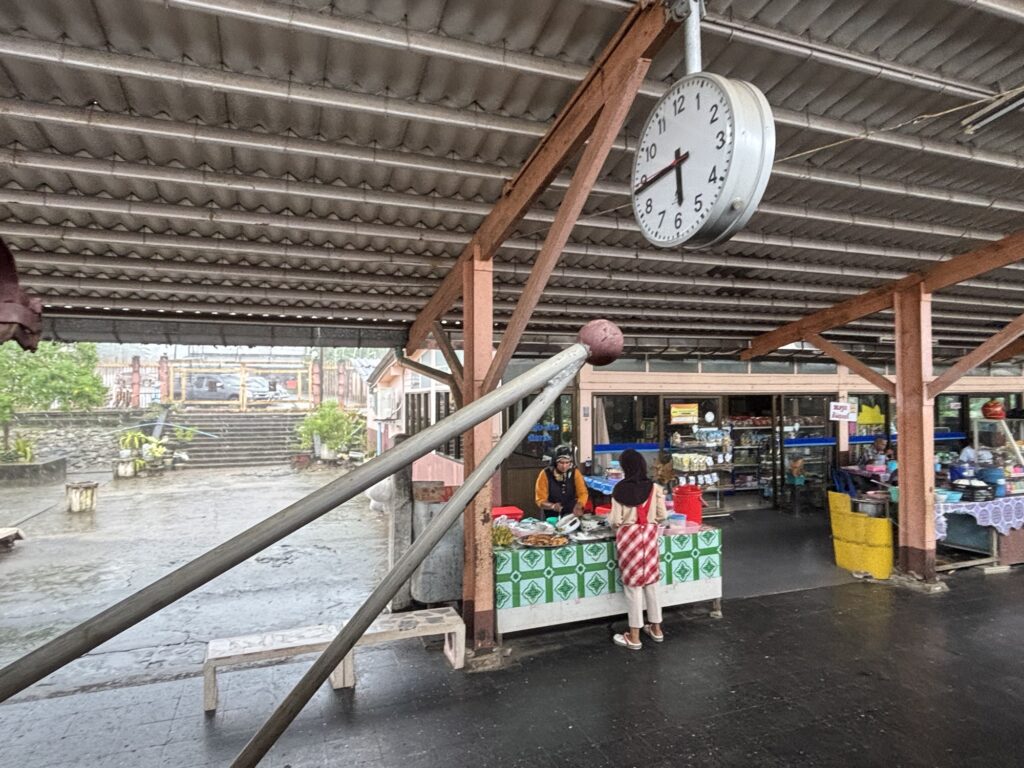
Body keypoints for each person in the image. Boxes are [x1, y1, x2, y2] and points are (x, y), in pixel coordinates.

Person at [609, 449, 667, 650]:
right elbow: (662, 515)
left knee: (633, 587)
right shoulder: (655, 488)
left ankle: (634, 636)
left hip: (629, 540)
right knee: (651, 584)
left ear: (625, 467)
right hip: (649, 539)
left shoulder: (619, 490)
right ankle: (656, 629)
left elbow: (615, 521)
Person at [534, 445, 588, 518]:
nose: (564, 466)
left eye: (567, 463)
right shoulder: (545, 474)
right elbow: (540, 500)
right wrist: (552, 506)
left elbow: (583, 493)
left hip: (572, 513)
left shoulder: (575, 473)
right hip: (551, 516)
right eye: (561, 463)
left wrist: (579, 506)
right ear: (555, 462)